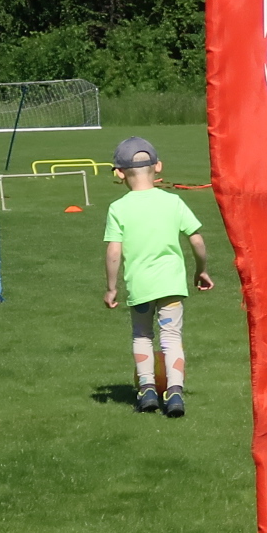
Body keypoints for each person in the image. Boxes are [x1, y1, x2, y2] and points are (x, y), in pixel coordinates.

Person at [102, 137, 214, 416]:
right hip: (171, 285)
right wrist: (201, 269)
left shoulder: (118, 208)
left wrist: (111, 287)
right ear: (159, 166)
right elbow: (197, 240)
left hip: (140, 286)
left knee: (142, 335)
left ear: (119, 173)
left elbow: (114, 251)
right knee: (171, 337)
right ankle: (175, 392)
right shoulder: (173, 202)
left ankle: (148, 390)